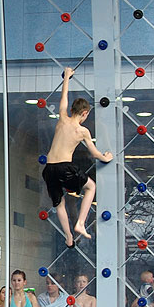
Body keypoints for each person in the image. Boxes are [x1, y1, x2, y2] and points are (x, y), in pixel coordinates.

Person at [42, 66, 113, 247]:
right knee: (91, 187)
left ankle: (68, 236)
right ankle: (80, 223)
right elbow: (94, 152)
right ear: (84, 113)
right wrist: (106, 158)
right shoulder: (82, 131)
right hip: (65, 167)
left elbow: (63, 97)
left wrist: (67, 77)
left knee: (59, 204)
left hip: (49, 168)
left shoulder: (62, 118)